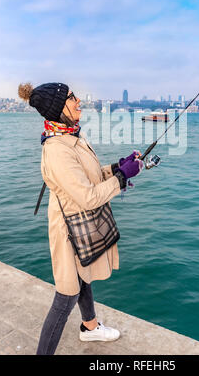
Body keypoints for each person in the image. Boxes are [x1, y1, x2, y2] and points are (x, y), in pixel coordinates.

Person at [18, 82, 143, 355]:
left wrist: (115, 169)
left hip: (79, 225)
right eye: (72, 98)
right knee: (66, 295)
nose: (79, 103)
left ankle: (89, 327)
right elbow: (87, 197)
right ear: (58, 107)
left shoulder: (70, 136)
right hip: (68, 230)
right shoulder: (57, 150)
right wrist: (122, 179)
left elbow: (86, 174)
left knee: (82, 274)